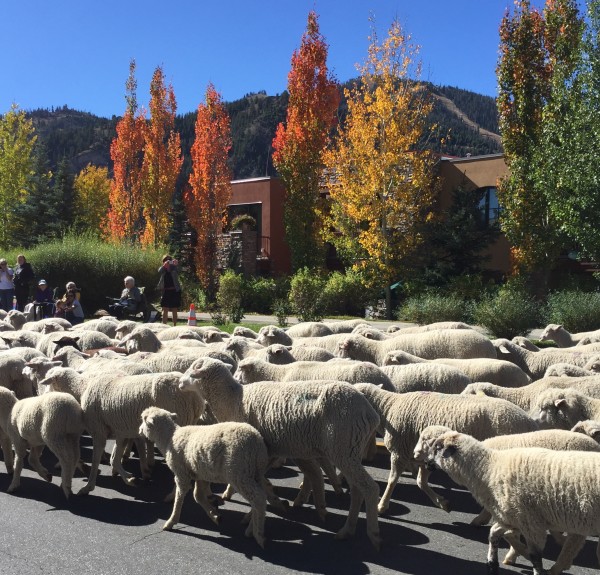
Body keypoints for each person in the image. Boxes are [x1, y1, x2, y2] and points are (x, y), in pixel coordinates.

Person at [157, 255, 181, 327]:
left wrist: (176, 265)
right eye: (166, 261)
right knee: (165, 309)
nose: (168, 262)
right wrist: (164, 266)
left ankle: (174, 325)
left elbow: (179, 271)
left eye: (169, 260)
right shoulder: (163, 269)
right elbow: (159, 271)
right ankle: (164, 326)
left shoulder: (174, 268)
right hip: (166, 291)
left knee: (174, 309)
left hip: (174, 291)